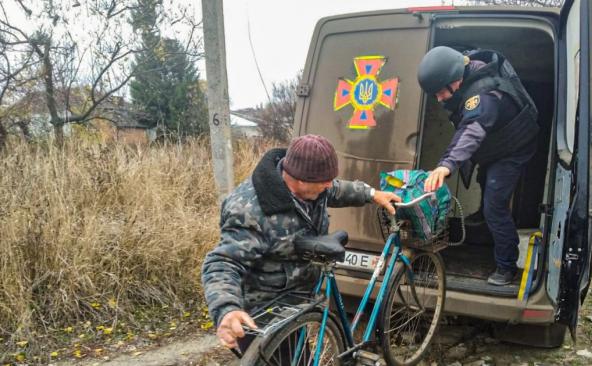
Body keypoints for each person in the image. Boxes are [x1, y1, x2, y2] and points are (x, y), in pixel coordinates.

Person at [201, 134, 401, 352]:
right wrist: (227, 309)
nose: (328, 186)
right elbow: (222, 262)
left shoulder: (314, 185)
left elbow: (337, 189)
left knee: (299, 352)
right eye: (323, 183)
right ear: (298, 179)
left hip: (297, 299)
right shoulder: (250, 210)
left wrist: (372, 194)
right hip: (266, 310)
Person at [417, 46, 539, 286]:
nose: (440, 99)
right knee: (486, 181)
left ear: (455, 79)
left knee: (495, 203)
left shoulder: (483, 94)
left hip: (514, 145)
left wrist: (446, 165)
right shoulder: (462, 70)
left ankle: (506, 266)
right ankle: (485, 218)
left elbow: (472, 130)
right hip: (495, 142)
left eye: (440, 92)